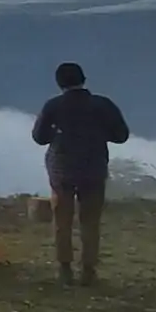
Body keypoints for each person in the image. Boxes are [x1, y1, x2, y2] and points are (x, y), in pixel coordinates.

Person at [30, 62, 130, 286]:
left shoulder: (53, 106)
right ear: (83, 79)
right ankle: (88, 269)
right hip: (93, 167)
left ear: (59, 83)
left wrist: (57, 131)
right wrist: (99, 132)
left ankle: (64, 268)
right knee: (90, 221)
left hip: (62, 168)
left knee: (62, 220)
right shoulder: (103, 105)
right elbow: (121, 135)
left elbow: (39, 137)